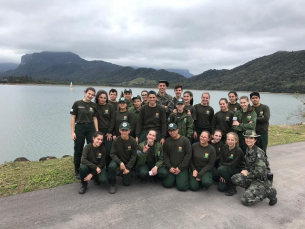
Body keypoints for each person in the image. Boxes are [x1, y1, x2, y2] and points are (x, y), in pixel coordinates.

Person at [231, 130, 277, 206]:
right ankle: (252, 189)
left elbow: (260, 172)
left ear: (255, 140)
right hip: (253, 177)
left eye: (251, 138)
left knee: (245, 200)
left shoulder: (259, 153)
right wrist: (246, 170)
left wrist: (247, 174)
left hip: (262, 180)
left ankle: (269, 192)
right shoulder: (248, 149)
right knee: (235, 178)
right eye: (247, 138)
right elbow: (249, 165)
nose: (248, 140)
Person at [70, 87, 98, 179]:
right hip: (80, 127)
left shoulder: (94, 105)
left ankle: (90, 169)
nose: (90, 96)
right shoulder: (77, 104)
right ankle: (77, 170)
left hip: (90, 128)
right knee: (78, 149)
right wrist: (72, 132)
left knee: (91, 149)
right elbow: (73, 118)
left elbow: (95, 118)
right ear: (85, 92)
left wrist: (97, 131)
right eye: (89, 93)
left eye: (92, 95)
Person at [108, 122, 137, 194]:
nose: (124, 132)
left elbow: (134, 156)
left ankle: (122, 173)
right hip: (118, 161)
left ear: (129, 131)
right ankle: (112, 183)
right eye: (122, 130)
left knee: (127, 183)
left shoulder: (133, 141)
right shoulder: (116, 140)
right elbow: (112, 154)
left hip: (127, 163)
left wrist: (126, 167)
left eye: (126, 130)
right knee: (112, 166)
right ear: (119, 130)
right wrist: (120, 162)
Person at [163, 123, 192, 191]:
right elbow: (165, 155)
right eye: (170, 130)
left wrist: (180, 167)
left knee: (182, 187)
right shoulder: (167, 141)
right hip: (171, 168)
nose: (172, 132)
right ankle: (175, 179)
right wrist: (169, 167)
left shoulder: (185, 140)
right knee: (166, 184)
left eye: (174, 130)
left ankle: (182, 179)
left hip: (182, 168)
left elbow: (188, 155)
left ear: (178, 130)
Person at [95, 90, 115, 166]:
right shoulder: (95, 106)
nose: (102, 99)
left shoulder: (110, 106)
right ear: (97, 98)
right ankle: (99, 166)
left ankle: (108, 166)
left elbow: (112, 119)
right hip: (98, 131)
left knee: (108, 150)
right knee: (98, 149)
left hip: (108, 132)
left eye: (104, 98)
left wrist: (110, 132)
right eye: (101, 97)